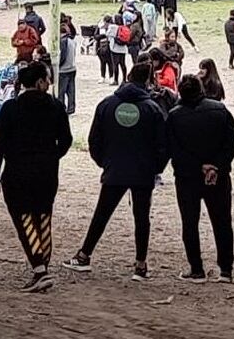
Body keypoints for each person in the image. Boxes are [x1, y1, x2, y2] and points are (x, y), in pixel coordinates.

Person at [66, 61, 171, 281]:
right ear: (148, 80)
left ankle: (84, 255)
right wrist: (155, 169)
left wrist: (104, 162)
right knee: (142, 218)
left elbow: (94, 139)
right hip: (143, 171)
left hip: (114, 169)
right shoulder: (152, 109)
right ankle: (140, 265)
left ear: (129, 75)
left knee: (102, 214)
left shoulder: (107, 104)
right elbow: (163, 145)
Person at [0, 61, 72, 293]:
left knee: (24, 220)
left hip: (17, 173)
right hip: (47, 172)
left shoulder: (11, 108)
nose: (49, 83)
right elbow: (66, 140)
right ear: (39, 82)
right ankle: (43, 264)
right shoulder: (56, 106)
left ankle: (39, 269)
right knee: (43, 217)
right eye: (47, 79)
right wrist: (52, 156)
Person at [167, 73, 234, 282]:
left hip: (187, 176)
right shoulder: (220, 110)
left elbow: (174, 149)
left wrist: (198, 166)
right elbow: (231, 142)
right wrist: (215, 165)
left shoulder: (174, 116)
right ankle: (226, 269)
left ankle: (196, 268)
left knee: (189, 222)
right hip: (217, 175)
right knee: (222, 221)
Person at [56, 16, 78, 114]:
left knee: (61, 91)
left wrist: (58, 65)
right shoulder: (72, 41)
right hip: (72, 67)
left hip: (64, 69)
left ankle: (61, 108)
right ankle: (71, 107)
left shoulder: (62, 41)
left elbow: (63, 55)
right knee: (71, 90)